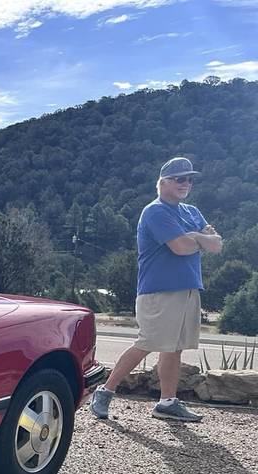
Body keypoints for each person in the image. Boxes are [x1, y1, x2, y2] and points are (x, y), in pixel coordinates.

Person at [89, 157, 223, 422]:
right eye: (179, 179)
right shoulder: (155, 211)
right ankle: (104, 391)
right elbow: (181, 247)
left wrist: (194, 237)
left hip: (188, 288)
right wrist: (199, 237)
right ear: (162, 182)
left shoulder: (191, 211)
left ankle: (167, 402)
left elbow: (216, 245)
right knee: (148, 343)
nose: (186, 184)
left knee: (174, 348)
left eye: (189, 179)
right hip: (158, 290)